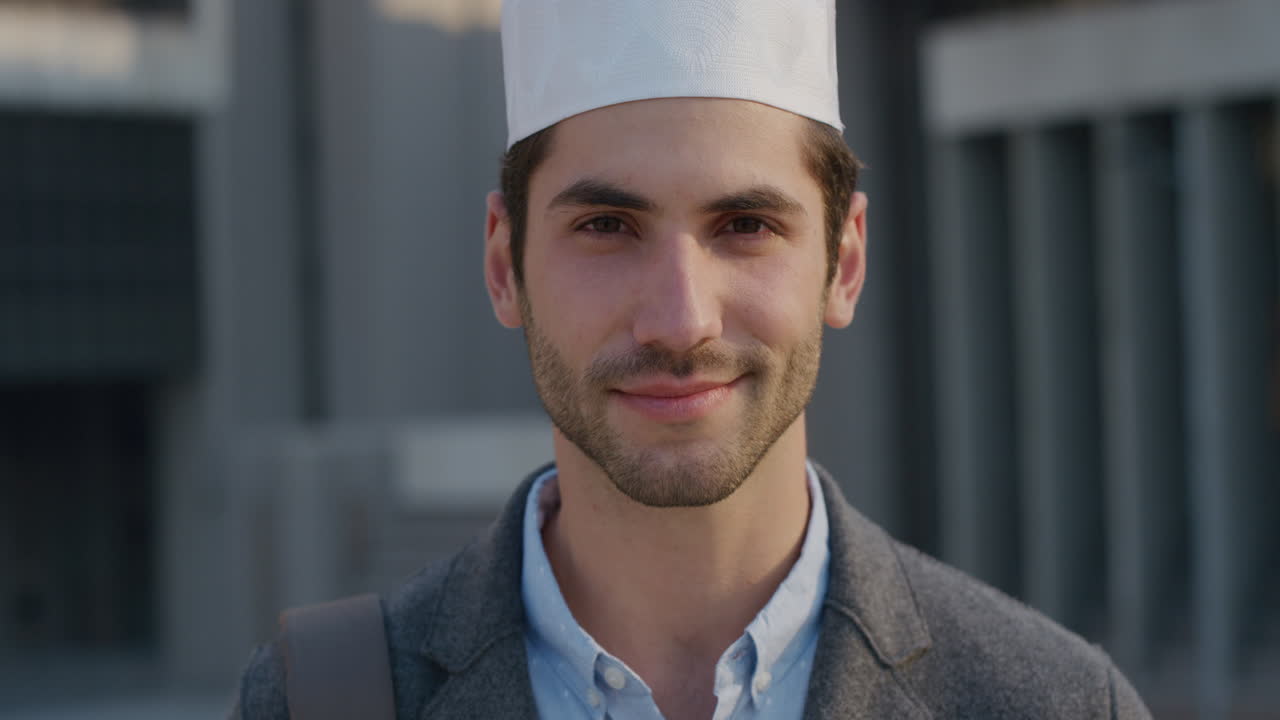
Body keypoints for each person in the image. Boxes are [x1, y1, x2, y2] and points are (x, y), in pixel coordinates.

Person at [233, 1, 1151, 717]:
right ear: (501, 266)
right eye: (606, 226)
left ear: (845, 263)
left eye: (745, 226)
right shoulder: (324, 703)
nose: (679, 321)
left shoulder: (1053, 705)